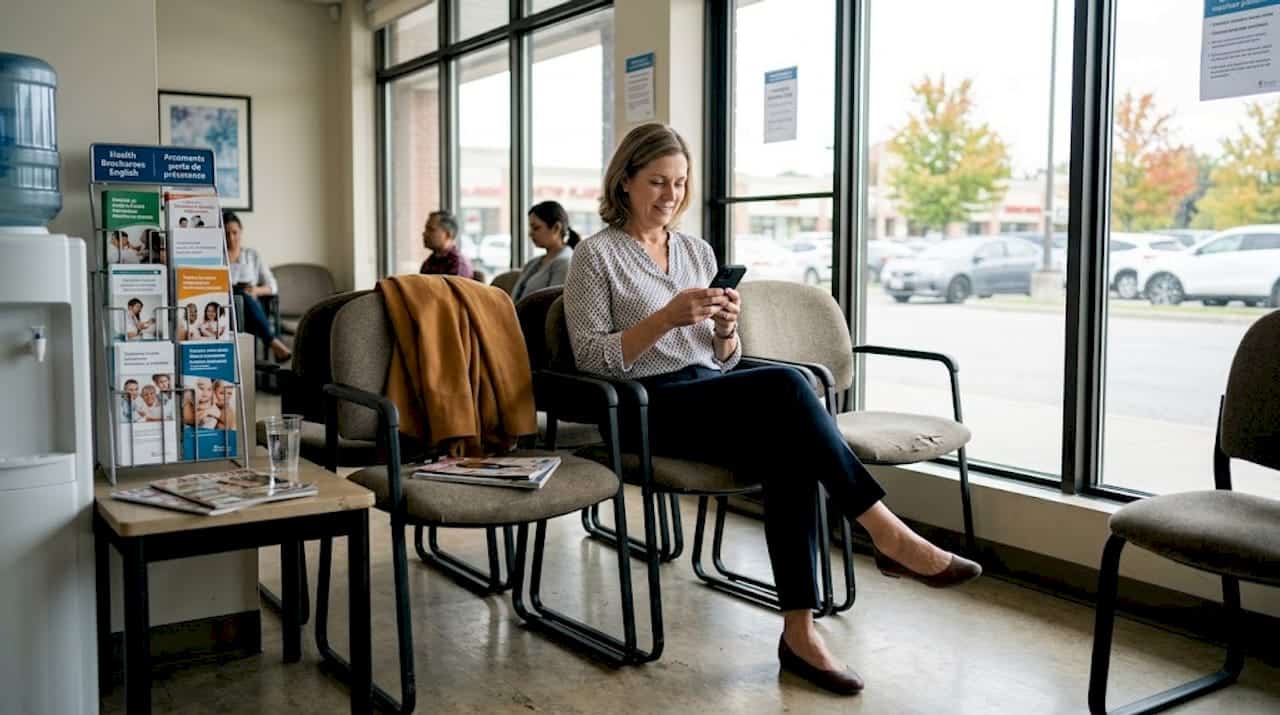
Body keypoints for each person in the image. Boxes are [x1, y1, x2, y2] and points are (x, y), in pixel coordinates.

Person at [562, 123, 981, 696]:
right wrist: (663, 319)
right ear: (626, 181)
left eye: (680, 183)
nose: (670, 195)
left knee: (791, 446)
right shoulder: (595, 255)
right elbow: (592, 359)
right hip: (644, 404)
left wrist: (725, 332)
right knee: (788, 383)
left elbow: (724, 362)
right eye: (657, 181)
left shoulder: (695, 250)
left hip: (705, 389)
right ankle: (887, 534)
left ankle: (800, 636)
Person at [224, 211, 291, 362]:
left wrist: (256, 290)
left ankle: (270, 343)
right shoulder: (216, 256)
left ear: (241, 232)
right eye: (226, 233)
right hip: (227, 310)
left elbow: (272, 286)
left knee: (243, 295)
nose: (231, 238)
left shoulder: (252, 255)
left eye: (234, 232)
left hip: (251, 309)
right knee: (237, 292)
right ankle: (272, 341)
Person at [510, 201, 580, 301]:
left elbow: (552, 304)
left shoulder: (565, 263)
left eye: (536, 228)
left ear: (556, 228)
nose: (530, 233)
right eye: (531, 228)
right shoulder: (532, 263)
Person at [419, 210, 474, 278]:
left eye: (431, 230)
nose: (424, 234)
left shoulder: (458, 264)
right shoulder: (429, 262)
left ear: (448, 234)